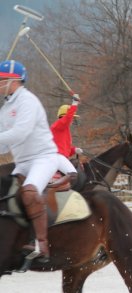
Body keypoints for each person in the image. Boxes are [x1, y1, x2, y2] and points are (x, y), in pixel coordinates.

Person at [0, 60, 77, 262]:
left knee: (29, 192)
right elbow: (3, 144)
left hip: (43, 158)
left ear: (14, 81)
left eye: (2, 80)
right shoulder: (6, 108)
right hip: (22, 161)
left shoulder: (28, 101)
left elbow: (20, 132)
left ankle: (40, 244)